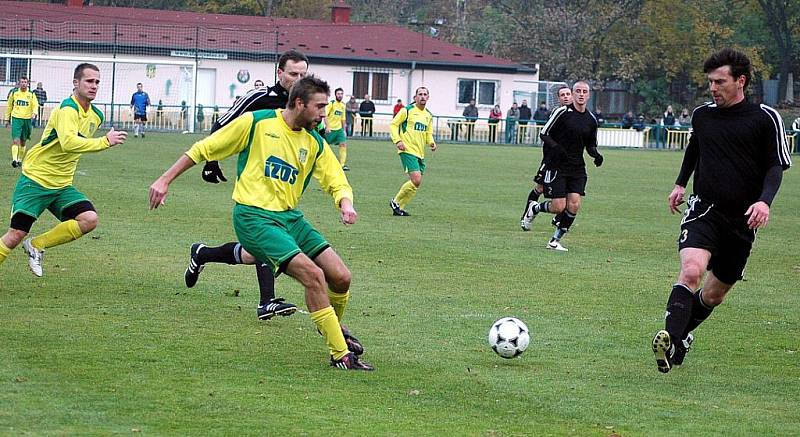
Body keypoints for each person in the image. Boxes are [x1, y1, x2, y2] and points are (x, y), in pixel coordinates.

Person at [148, 75, 372, 371]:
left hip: (290, 218)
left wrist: (345, 203)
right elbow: (204, 148)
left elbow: (335, 178)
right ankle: (340, 353)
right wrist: (165, 179)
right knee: (314, 276)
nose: (323, 114)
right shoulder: (256, 123)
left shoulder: (314, 142)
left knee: (341, 276)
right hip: (254, 218)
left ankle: (330, 325)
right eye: (319, 107)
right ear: (299, 103)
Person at [651, 48, 792, 374]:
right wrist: (680, 184)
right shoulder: (703, 115)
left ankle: (681, 335)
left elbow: (775, 166)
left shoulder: (765, 118)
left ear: (740, 81)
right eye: (710, 82)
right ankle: (670, 342)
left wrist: (764, 201)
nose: (713, 88)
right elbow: (695, 147)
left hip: (742, 220)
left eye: (720, 81)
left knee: (713, 295)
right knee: (690, 271)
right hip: (704, 209)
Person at [189, 49, 309, 321]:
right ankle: (266, 302)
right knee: (268, 236)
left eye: (303, 74)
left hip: (283, 182)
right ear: (279, 73)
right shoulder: (259, 99)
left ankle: (203, 253)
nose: (299, 78)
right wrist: (211, 162)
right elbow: (223, 123)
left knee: (254, 251)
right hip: (255, 179)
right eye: (293, 73)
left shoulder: (306, 104)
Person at [0, 63, 127, 276]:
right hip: (36, 180)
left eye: (97, 82)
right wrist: (104, 141)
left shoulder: (96, 116)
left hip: (61, 185)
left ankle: (37, 245)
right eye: (89, 81)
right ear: (76, 83)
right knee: (15, 234)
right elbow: (68, 143)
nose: (94, 86)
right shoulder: (67, 109)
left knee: (89, 219)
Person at [519, 81, 603, 251]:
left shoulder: (591, 119)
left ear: (588, 95)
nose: (580, 94)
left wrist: (596, 155)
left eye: (584, 91)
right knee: (559, 206)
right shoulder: (562, 112)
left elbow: (590, 144)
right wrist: (557, 149)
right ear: (573, 94)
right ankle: (534, 207)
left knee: (574, 204)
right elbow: (544, 134)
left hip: (577, 167)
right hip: (557, 166)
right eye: (577, 91)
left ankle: (555, 240)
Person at [520, 86, 573, 231]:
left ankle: (558, 219)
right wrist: (553, 153)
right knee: (540, 187)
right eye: (563, 95)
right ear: (559, 98)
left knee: (570, 190)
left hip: (568, 162)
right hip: (551, 159)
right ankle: (526, 215)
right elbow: (545, 135)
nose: (566, 97)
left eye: (568, 94)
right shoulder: (558, 112)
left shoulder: (577, 114)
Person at [388, 87, 436, 216]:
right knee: (416, 180)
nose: (422, 97)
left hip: (420, 152)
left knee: (416, 183)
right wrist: (397, 141)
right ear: (415, 97)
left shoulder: (428, 115)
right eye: (420, 94)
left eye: (425, 94)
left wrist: (431, 142)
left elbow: (428, 133)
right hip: (407, 150)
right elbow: (393, 124)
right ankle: (395, 201)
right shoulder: (407, 111)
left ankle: (399, 208)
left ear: (428, 97)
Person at [5, 77, 39, 168]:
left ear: (27, 84)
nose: (24, 84)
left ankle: (20, 159)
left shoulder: (31, 94)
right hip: (16, 118)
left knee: (23, 142)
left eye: (25, 82)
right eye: (22, 82)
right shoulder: (14, 93)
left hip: (27, 120)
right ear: (19, 83)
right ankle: (14, 160)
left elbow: (35, 105)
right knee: (16, 140)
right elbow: (9, 106)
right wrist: (7, 119)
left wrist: (34, 113)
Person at [325, 87, 349, 171]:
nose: (340, 95)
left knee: (343, 144)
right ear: (335, 95)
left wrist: (344, 130)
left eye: (341, 94)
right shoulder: (331, 104)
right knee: (325, 146)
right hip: (330, 129)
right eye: (338, 94)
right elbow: (325, 115)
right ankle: (324, 163)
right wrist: (327, 126)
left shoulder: (343, 105)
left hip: (339, 130)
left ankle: (342, 165)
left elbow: (343, 118)